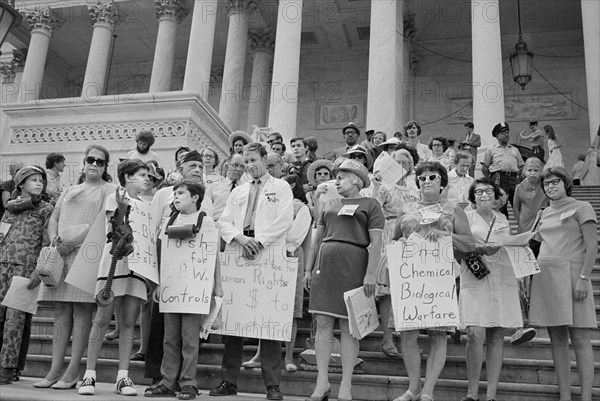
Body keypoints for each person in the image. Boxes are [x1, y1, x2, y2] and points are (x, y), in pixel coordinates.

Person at [209, 142, 293, 401]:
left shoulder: (281, 187)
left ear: (264, 159)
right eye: (246, 162)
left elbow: (284, 219)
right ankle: (229, 380)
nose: (250, 165)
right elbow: (223, 220)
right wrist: (240, 239)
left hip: (267, 253)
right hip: (240, 251)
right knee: (234, 319)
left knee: (269, 320)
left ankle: (272, 384)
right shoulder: (239, 191)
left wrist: (260, 241)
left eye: (254, 160)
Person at [391, 161, 480, 401]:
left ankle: (428, 390)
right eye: (422, 178)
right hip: (410, 279)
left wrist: (445, 235)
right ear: (417, 182)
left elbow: (469, 243)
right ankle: (413, 387)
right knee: (407, 334)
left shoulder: (453, 209)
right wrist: (399, 245)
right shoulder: (407, 207)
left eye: (432, 177)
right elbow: (394, 239)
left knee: (438, 335)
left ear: (442, 182)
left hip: (441, 278)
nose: (427, 181)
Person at [36, 145, 117, 389]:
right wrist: (54, 239)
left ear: (105, 167)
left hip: (86, 255)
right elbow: (55, 218)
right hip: (60, 254)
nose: (94, 164)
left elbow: (102, 223)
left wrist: (70, 243)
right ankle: (53, 371)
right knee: (60, 312)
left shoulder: (108, 189)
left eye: (100, 162)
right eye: (90, 159)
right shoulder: (70, 189)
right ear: (83, 162)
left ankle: (72, 373)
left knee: (82, 313)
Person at [304, 159, 384, 401]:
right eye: (337, 176)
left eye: (342, 175)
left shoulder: (371, 204)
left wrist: (371, 273)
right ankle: (322, 380)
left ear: (357, 180)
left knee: (349, 328)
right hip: (325, 267)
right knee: (323, 324)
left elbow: (377, 242)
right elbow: (317, 238)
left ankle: (346, 384)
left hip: (355, 266)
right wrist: (308, 269)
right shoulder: (329, 202)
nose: (336, 179)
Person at [78, 159, 151, 396]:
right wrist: (122, 209)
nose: (146, 179)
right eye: (141, 175)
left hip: (137, 267)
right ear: (128, 177)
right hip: (114, 261)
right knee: (101, 318)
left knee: (128, 321)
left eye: (147, 175)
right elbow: (114, 227)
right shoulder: (114, 198)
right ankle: (89, 375)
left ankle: (123, 377)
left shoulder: (148, 206)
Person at [145, 180, 223, 400]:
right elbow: (162, 256)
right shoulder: (170, 220)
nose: (175, 197)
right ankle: (167, 381)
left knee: (189, 338)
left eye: (181, 193)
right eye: (174, 194)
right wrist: (158, 283)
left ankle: (189, 383)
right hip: (172, 287)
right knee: (170, 338)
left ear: (195, 197)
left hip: (195, 288)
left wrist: (217, 284)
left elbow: (212, 255)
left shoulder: (206, 222)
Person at [528, 167, 597, 401]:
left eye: (555, 182)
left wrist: (584, 278)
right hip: (546, 278)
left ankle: (586, 397)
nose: (550, 186)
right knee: (557, 340)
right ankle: (565, 396)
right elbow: (532, 244)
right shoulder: (544, 213)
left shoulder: (581, 207)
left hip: (574, 276)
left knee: (580, 338)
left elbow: (593, 246)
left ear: (565, 183)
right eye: (546, 184)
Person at [241, 174, 312, 374]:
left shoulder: (301, 208)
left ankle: (288, 355)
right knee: (265, 308)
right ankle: (259, 355)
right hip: (268, 255)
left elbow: (294, 237)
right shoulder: (270, 207)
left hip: (289, 256)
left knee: (291, 310)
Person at [459, 178, 522, 401]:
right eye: (479, 192)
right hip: (475, 276)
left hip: (502, 277)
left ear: (495, 196)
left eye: (488, 191)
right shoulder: (465, 217)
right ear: (473, 197)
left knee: (496, 335)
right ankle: (472, 392)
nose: (484, 195)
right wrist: (479, 247)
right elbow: (457, 244)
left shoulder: (503, 219)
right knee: (474, 333)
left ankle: (491, 395)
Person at [0, 166, 53, 384]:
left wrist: (37, 270)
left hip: (24, 271)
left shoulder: (46, 209)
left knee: (16, 321)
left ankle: (7, 368)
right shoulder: (10, 209)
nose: (39, 183)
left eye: (41, 180)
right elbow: (1, 236)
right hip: (3, 266)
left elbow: (47, 242)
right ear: (21, 183)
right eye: (33, 179)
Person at [372, 149, 420, 359]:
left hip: (412, 238)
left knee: (408, 290)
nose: (402, 164)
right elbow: (373, 209)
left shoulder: (414, 189)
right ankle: (387, 336)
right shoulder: (383, 187)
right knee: (388, 291)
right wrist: (374, 185)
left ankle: (407, 339)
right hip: (389, 234)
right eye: (397, 161)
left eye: (405, 161)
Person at [482, 122, 524, 218]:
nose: (506, 134)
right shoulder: (491, 150)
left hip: (514, 179)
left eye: (507, 132)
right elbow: (485, 168)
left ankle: (519, 229)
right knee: (500, 205)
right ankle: (502, 226)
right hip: (499, 179)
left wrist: (519, 179)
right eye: (503, 133)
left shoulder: (515, 150)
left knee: (517, 203)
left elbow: (521, 166)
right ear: (496, 136)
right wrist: (490, 180)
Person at [513, 157, 548, 234]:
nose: (532, 173)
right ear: (524, 171)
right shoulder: (519, 187)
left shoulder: (545, 186)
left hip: (542, 221)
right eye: (529, 170)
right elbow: (516, 208)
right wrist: (518, 222)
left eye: (536, 170)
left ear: (541, 171)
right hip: (524, 222)